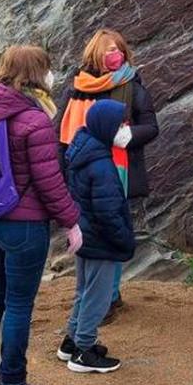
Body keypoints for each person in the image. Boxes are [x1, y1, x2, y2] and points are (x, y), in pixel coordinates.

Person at [0, 46, 81, 385]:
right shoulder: (34, 120)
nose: (52, 75)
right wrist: (71, 221)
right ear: (36, 74)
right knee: (18, 304)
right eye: (48, 69)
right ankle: (13, 384)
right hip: (24, 224)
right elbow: (49, 181)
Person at [55, 28, 158, 321]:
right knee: (87, 233)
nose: (117, 55)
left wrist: (128, 135)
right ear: (95, 55)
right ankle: (93, 295)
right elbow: (60, 132)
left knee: (112, 231)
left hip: (119, 171)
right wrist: (62, 173)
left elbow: (151, 126)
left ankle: (109, 298)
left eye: (120, 49)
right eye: (109, 50)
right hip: (81, 171)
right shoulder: (76, 87)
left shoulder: (132, 85)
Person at [58, 99, 133, 374]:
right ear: (107, 127)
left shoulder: (81, 151)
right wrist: (124, 240)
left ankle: (72, 340)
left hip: (84, 234)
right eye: (121, 124)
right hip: (102, 240)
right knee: (98, 296)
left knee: (83, 290)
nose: (125, 128)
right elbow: (108, 211)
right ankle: (84, 351)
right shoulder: (101, 164)